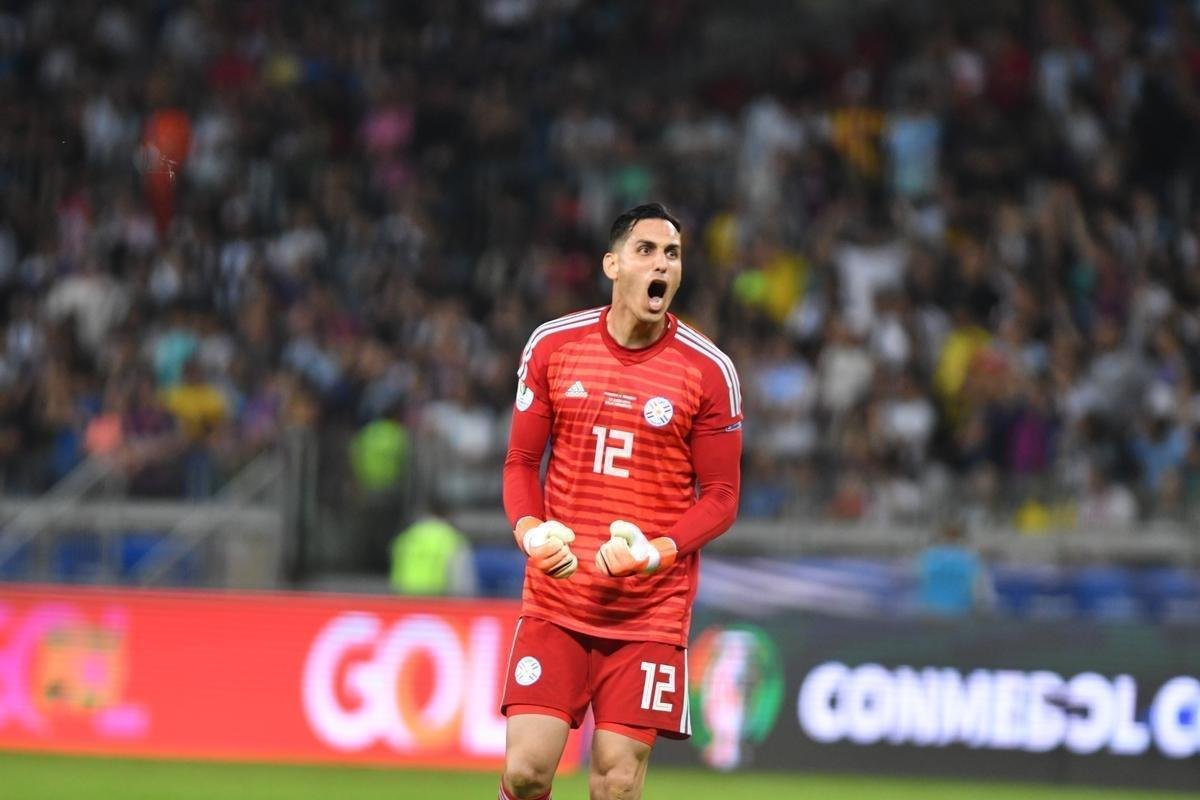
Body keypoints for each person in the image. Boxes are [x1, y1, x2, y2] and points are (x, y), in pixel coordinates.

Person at [499, 203, 743, 800]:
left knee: (616, 782)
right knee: (526, 773)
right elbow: (521, 463)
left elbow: (722, 498)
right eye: (647, 250)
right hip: (558, 598)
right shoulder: (554, 346)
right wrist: (530, 532)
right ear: (613, 265)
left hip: (648, 614)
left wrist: (655, 554)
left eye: (673, 254)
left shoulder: (708, 371)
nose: (662, 263)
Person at [389, 496, 477, 596]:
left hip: (404, 597)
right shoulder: (451, 539)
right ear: (447, 515)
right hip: (436, 599)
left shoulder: (407, 536)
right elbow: (461, 579)